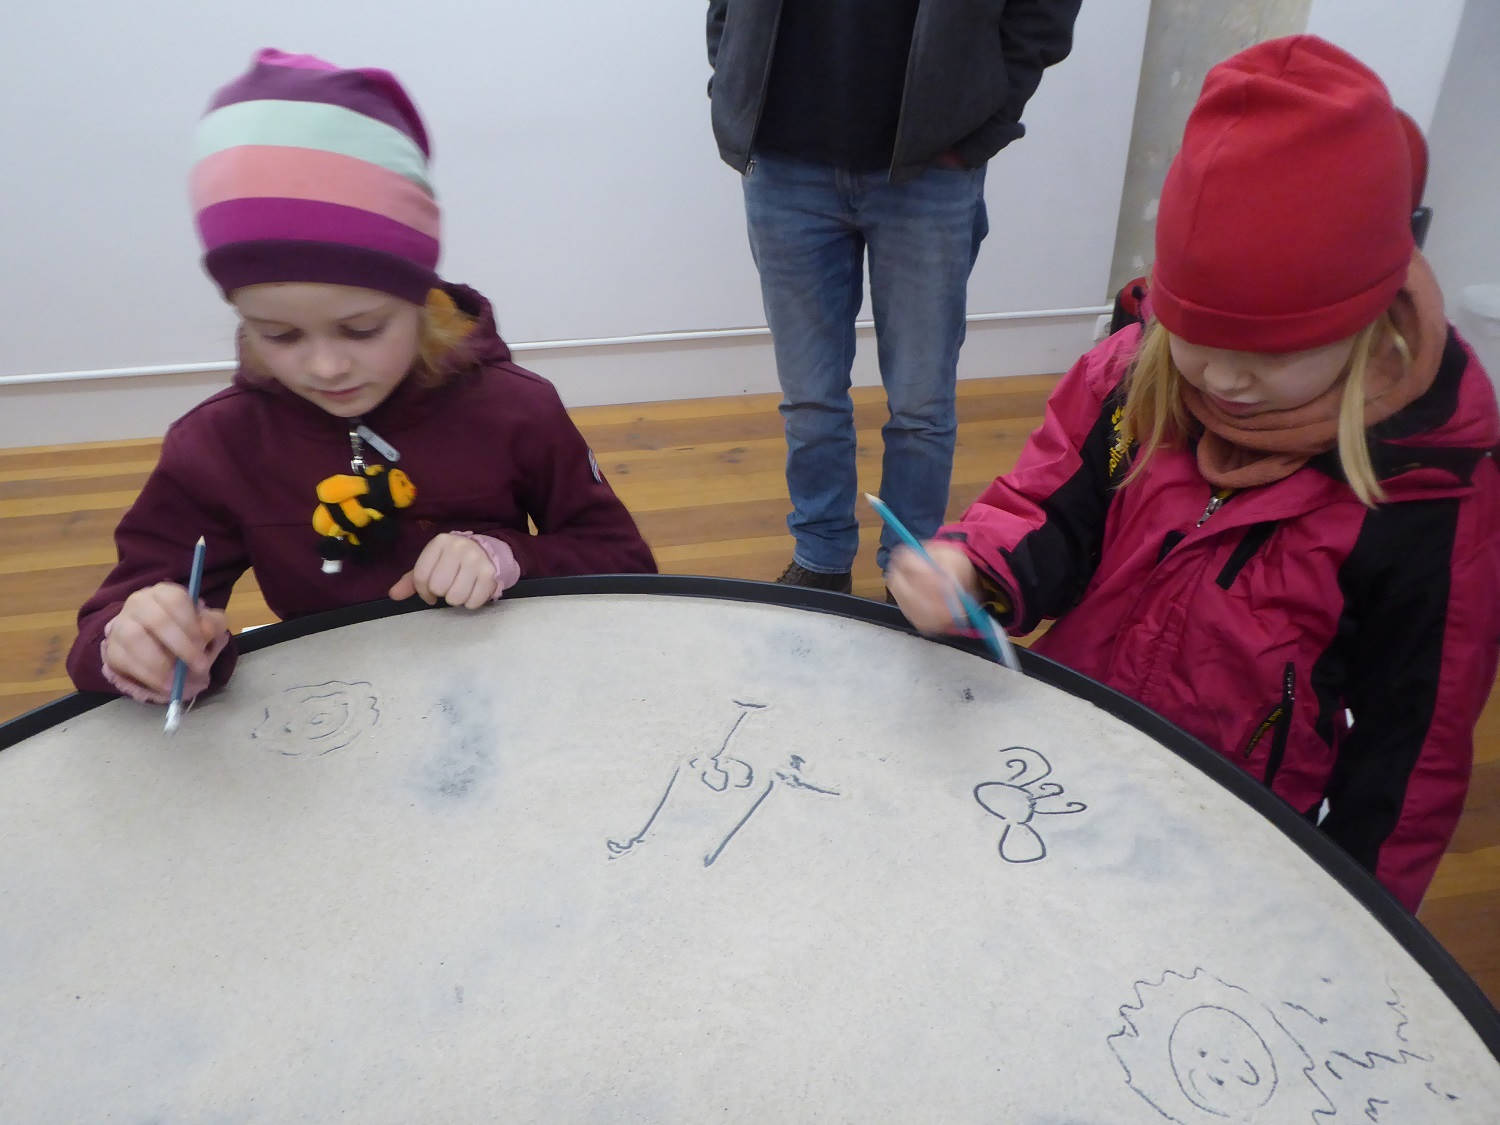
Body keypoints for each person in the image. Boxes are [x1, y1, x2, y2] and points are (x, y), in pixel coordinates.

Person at [887, 35, 1500, 913]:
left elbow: (1415, 746)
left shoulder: (1429, 492)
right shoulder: (1131, 375)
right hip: (1068, 745)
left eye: (1269, 356)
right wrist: (970, 567)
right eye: (1198, 340)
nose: (1221, 379)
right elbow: (1046, 508)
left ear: (1367, 325)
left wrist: (1361, 915)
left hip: (1235, 834)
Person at [66, 48, 657, 705]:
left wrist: (508, 555)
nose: (324, 366)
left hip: (509, 694)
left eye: (363, 328)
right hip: (337, 720)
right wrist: (137, 641)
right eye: (278, 334)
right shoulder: (217, 446)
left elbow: (623, 563)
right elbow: (110, 619)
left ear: (420, 297)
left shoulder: (516, 409)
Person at [706, 0, 1083, 594]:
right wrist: (731, 83)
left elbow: (1043, 13)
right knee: (809, 397)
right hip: (783, 162)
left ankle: (908, 576)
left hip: (931, 168)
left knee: (921, 404)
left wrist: (986, 120)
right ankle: (821, 558)